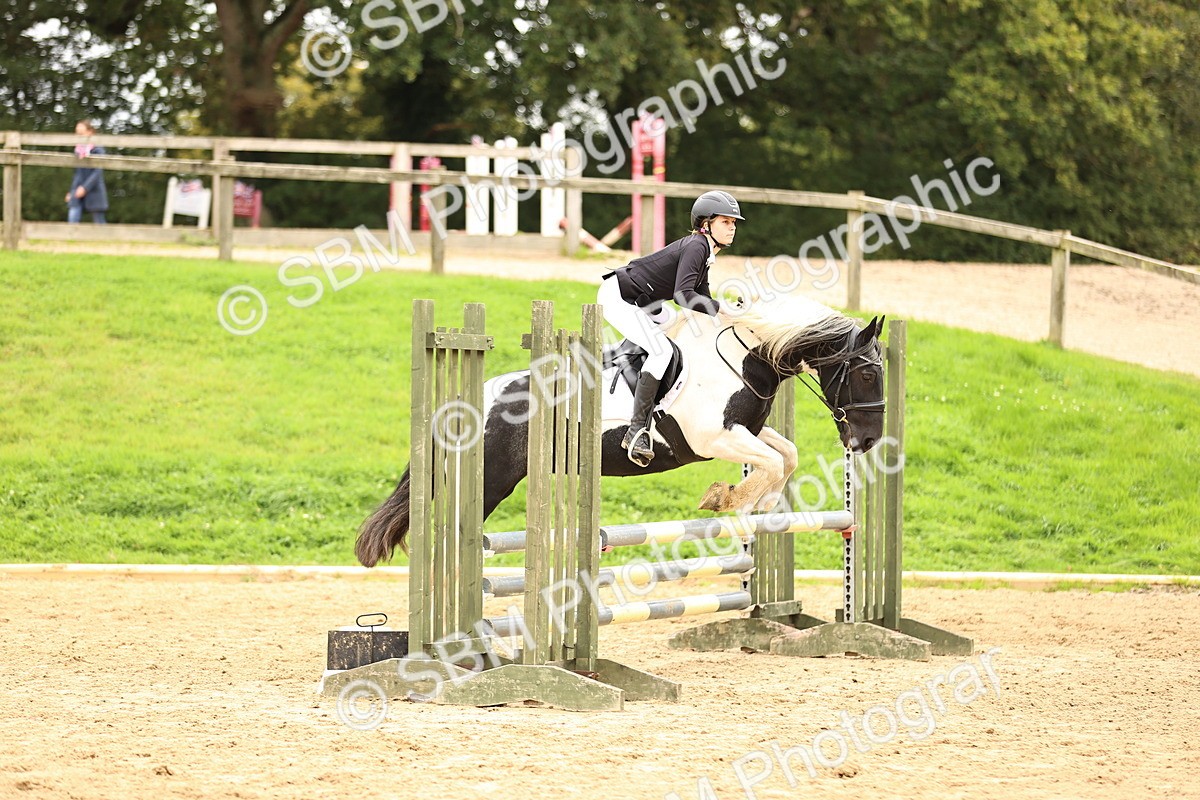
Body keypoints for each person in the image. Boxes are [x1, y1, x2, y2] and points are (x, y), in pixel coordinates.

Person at [598, 190, 744, 466]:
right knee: (662, 352)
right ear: (706, 224)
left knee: (670, 323)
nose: (732, 228)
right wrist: (723, 308)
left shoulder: (705, 255)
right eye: (725, 222)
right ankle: (636, 431)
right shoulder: (697, 246)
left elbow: (698, 302)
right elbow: (684, 296)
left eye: (734, 223)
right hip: (620, 296)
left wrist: (734, 317)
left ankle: (619, 360)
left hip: (646, 303)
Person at [65, 120, 108, 224]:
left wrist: (85, 187)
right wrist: (72, 191)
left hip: (94, 189)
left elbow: (97, 172)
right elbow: (77, 174)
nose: (78, 135)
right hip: (78, 189)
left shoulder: (98, 150)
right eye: (77, 133)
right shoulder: (77, 151)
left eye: (81, 133)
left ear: (90, 132)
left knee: (99, 223)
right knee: (73, 218)